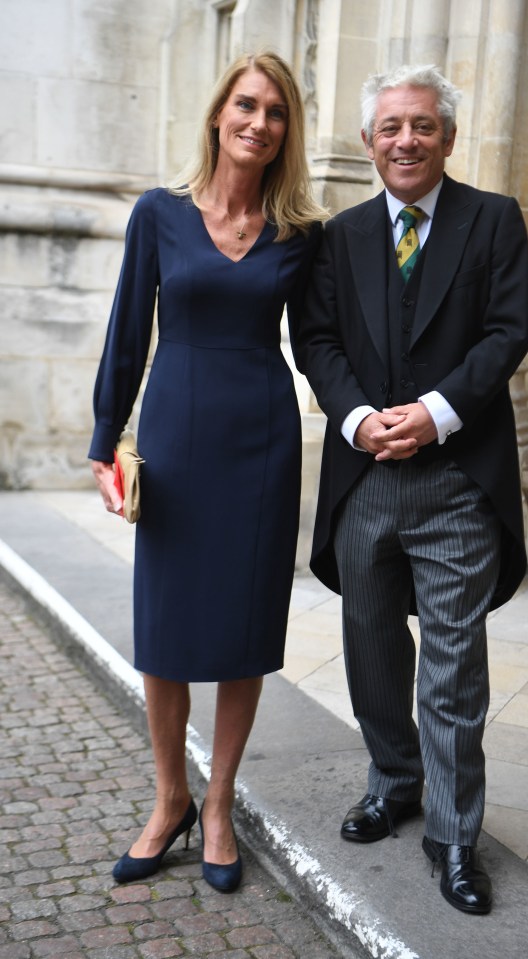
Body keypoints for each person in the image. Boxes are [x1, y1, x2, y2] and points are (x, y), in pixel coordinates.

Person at [295, 64, 528, 915]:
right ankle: (393, 780)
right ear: (367, 142)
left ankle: (454, 834)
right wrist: (359, 418)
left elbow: (509, 331)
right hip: (364, 479)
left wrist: (435, 414)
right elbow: (316, 337)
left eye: (422, 125)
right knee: (371, 650)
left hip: (459, 481)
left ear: (448, 136)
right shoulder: (340, 234)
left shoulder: (495, 220)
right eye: (390, 126)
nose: (406, 140)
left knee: (453, 667)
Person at [89, 51, 325, 892]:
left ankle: (219, 803)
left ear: (286, 132)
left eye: (277, 112)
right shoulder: (158, 214)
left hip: (261, 443)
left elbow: (324, 343)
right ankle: (169, 799)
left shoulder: (302, 235)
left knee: (242, 630)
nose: (259, 122)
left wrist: (373, 415)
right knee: (166, 629)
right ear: (219, 114)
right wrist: (102, 438)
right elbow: (126, 332)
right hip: (177, 442)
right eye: (247, 105)